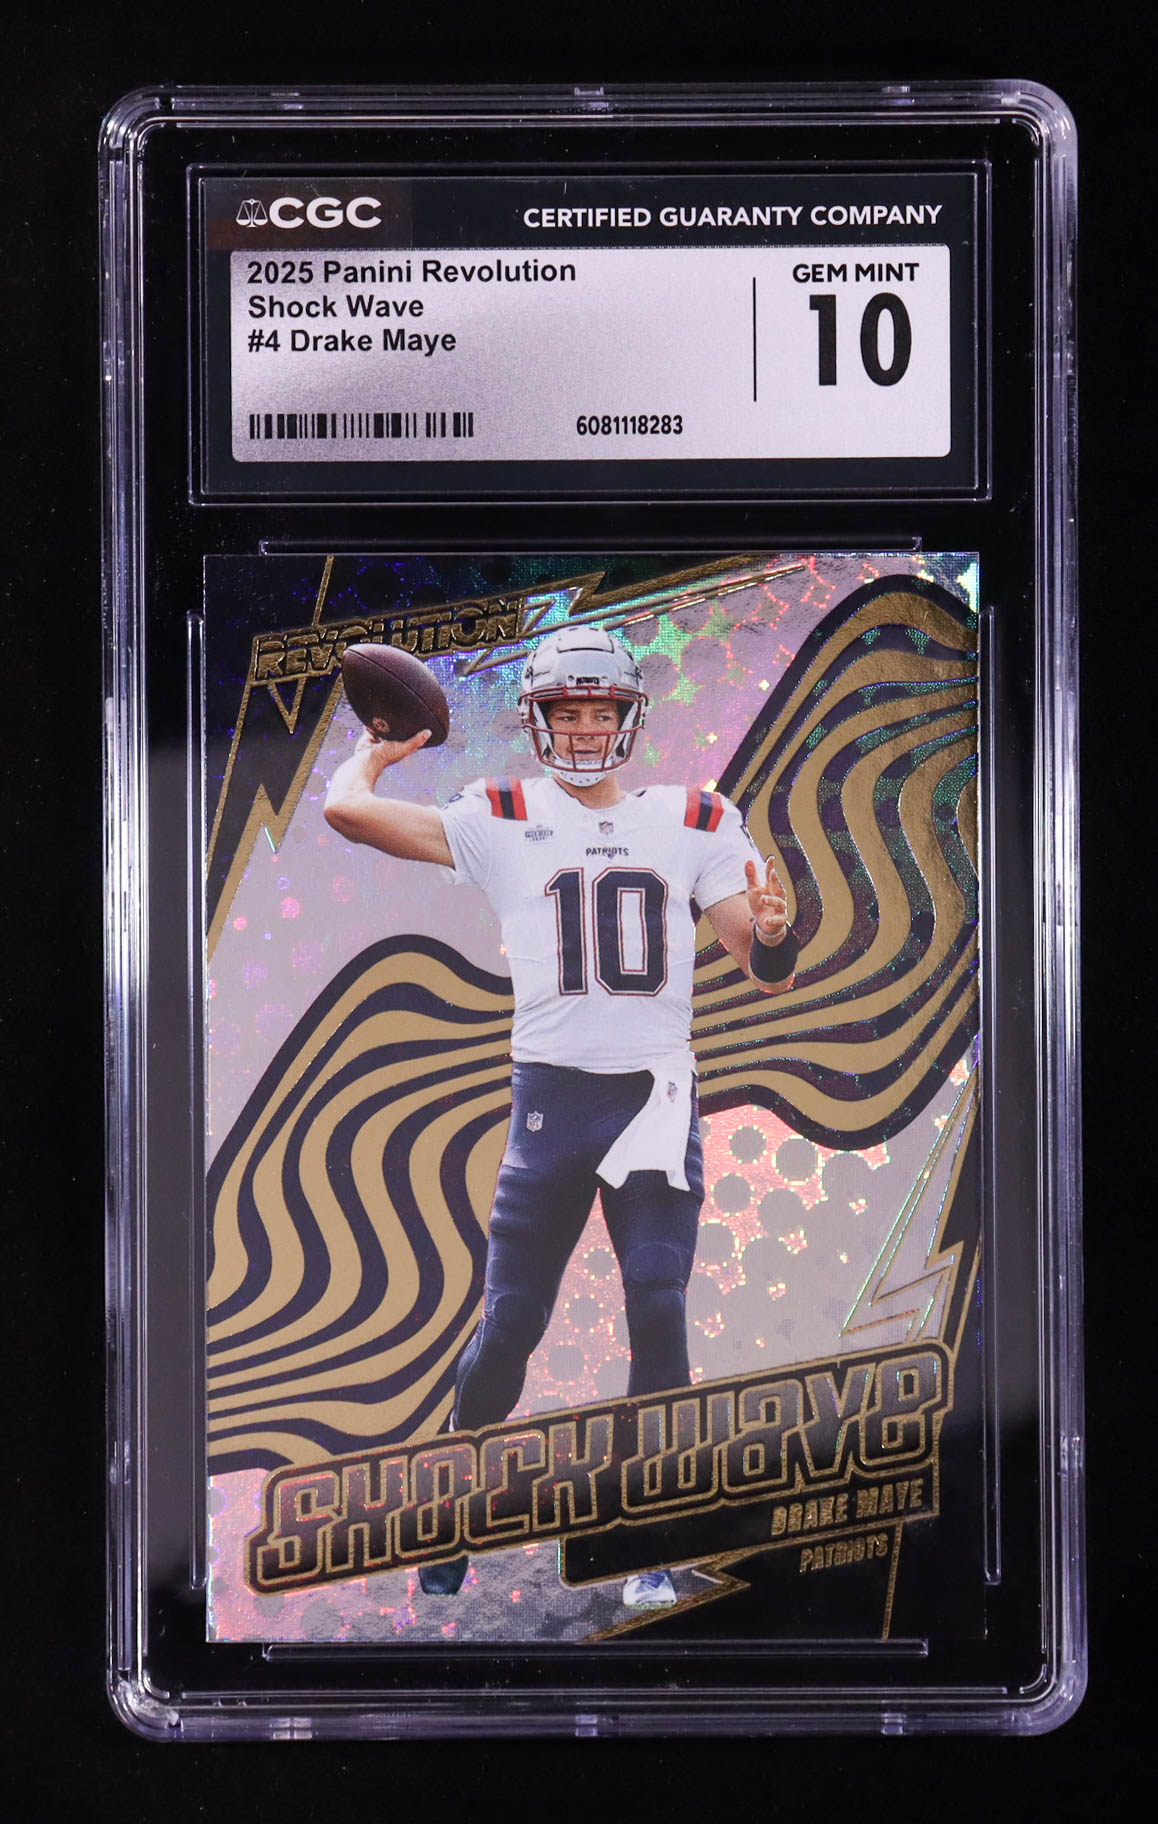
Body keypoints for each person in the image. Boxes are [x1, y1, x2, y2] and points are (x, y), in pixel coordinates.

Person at [324, 627, 797, 1607]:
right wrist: (381, 746)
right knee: (509, 1328)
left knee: (659, 1310)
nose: (584, 728)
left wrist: (775, 936)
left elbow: (762, 966)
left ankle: (648, 1541)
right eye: (566, 712)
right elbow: (346, 811)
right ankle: (454, 1504)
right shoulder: (503, 814)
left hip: (654, 1098)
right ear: (539, 722)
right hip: (551, 1099)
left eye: (600, 711)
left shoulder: (697, 816)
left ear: (629, 718)